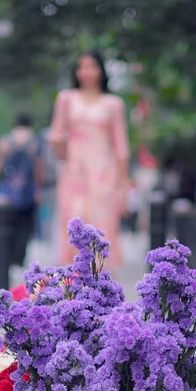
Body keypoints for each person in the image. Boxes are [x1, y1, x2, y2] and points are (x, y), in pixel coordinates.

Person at [47, 50, 129, 267]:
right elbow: (56, 133)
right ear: (76, 72)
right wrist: (58, 142)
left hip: (103, 173)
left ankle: (103, 286)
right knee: (74, 222)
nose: (87, 72)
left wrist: (123, 185)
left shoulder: (113, 104)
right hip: (74, 171)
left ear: (101, 70)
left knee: (102, 225)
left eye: (92, 66)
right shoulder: (66, 98)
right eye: (81, 67)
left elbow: (120, 145)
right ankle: (72, 287)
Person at [0, 113, 42, 267]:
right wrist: (38, 189)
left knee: (6, 228)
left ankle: (6, 261)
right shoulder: (34, 141)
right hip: (28, 191)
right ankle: (19, 261)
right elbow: (38, 168)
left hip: (7, 193)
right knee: (24, 229)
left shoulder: (5, 141)